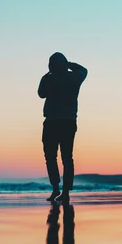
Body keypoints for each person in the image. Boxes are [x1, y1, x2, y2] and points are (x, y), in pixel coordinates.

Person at [38, 52, 88, 203]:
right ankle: (65, 192)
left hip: (52, 121)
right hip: (68, 122)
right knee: (67, 158)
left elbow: (41, 94)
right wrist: (69, 65)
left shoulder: (49, 78)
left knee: (51, 157)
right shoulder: (74, 78)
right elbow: (84, 70)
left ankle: (56, 190)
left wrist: (47, 75)